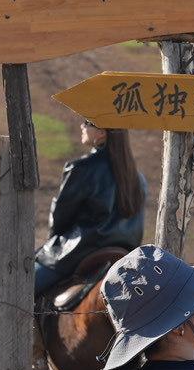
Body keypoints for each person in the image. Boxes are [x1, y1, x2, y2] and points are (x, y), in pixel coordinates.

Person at [34, 122, 146, 297]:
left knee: (13, 292)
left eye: (87, 122)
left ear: (102, 133)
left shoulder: (82, 168)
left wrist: (52, 245)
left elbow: (61, 218)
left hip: (78, 252)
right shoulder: (138, 178)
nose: (81, 126)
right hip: (125, 257)